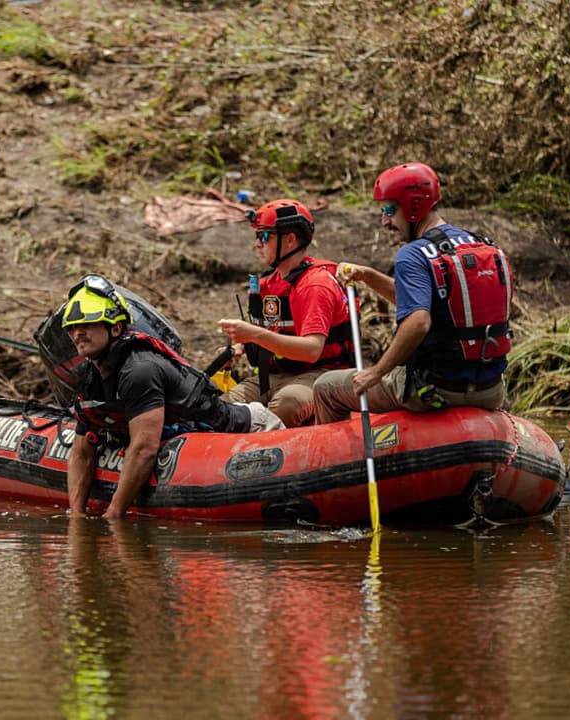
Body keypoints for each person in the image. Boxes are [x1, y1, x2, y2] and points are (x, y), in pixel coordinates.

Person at [60, 274, 283, 519]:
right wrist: (77, 515)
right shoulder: (90, 374)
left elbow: (144, 449)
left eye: (87, 325)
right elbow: (82, 451)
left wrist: (113, 516)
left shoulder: (139, 369)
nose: (77, 333)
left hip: (252, 429)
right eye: (72, 328)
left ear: (115, 327)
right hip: (192, 434)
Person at [312, 162, 513, 424]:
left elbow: (419, 321)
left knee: (326, 387)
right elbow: (426, 304)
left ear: (413, 205)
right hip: (490, 391)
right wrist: (369, 277)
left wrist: (375, 372)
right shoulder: (483, 246)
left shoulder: (413, 254)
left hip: (433, 389)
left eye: (388, 210)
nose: (385, 221)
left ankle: (338, 458)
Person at [216, 199, 355, 427]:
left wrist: (254, 335)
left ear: (290, 240)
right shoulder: (270, 284)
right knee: (222, 407)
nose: (257, 244)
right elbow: (272, 334)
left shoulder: (315, 285)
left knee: (286, 405)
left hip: (321, 375)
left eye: (264, 237)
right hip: (274, 376)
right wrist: (241, 347)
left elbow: (311, 350)